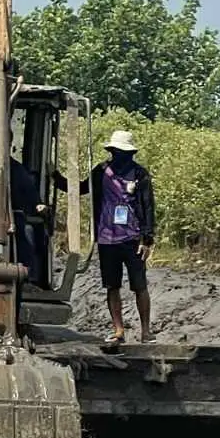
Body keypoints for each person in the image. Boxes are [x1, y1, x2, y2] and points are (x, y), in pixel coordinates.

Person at [92, 130, 156, 344]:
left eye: (124, 153)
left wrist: (147, 238)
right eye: (117, 152)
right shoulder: (100, 172)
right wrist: (57, 179)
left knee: (140, 285)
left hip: (132, 238)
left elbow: (147, 205)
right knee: (112, 285)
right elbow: (83, 188)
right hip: (107, 238)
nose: (121, 156)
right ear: (112, 152)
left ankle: (146, 331)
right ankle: (118, 330)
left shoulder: (140, 174)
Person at [8, 156, 48, 284]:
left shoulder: (17, 169)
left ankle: (28, 277)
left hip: (15, 216)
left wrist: (39, 205)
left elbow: (32, 195)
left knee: (27, 231)